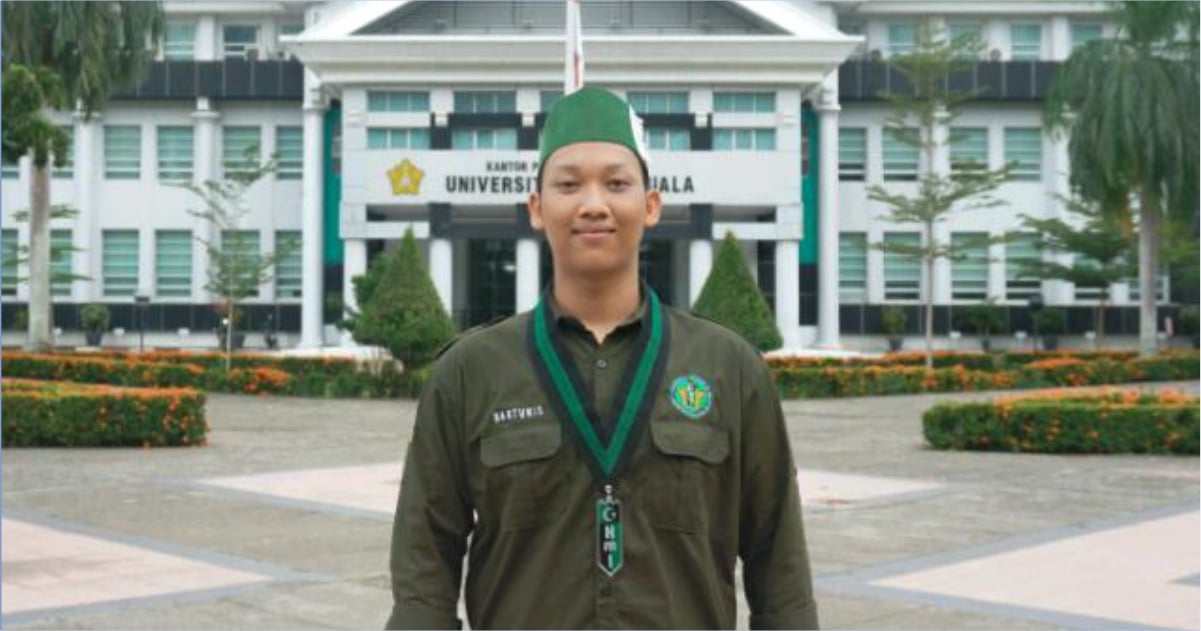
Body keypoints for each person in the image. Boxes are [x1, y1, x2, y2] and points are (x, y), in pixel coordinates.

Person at [386, 86, 818, 630]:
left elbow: (779, 562)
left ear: (651, 205)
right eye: (569, 184)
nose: (593, 204)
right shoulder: (470, 372)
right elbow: (425, 565)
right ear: (537, 209)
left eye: (616, 183)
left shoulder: (729, 367)